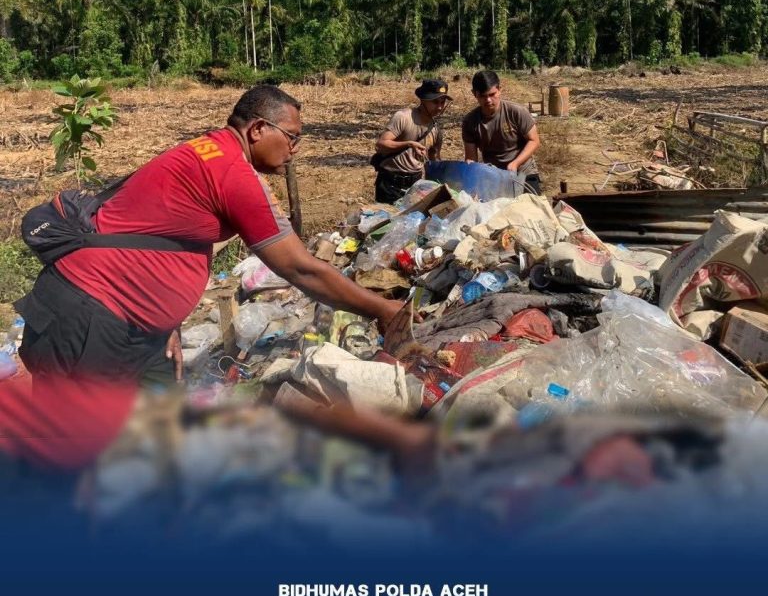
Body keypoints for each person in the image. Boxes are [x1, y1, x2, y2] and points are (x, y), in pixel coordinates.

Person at [15, 85, 406, 384]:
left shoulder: (207, 151)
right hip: (91, 320)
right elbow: (301, 269)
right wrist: (384, 310)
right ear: (258, 129)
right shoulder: (233, 174)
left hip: (124, 322)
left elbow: (154, 228)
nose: (295, 149)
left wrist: (165, 321)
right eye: (292, 137)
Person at [461, 69, 542, 194]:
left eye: (492, 94)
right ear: (474, 94)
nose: (488, 100)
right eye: (483, 96)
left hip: (523, 172)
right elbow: (471, 158)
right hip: (493, 175)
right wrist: (471, 167)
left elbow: (534, 141)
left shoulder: (517, 112)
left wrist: (515, 163)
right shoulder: (470, 121)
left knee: (530, 205)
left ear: (500, 90)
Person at [373, 79, 451, 204]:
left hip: (415, 184)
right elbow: (381, 144)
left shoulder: (436, 130)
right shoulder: (404, 117)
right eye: (435, 102)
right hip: (391, 183)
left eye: (442, 102)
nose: (440, 107)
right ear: (423, 100)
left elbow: (434, 159)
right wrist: (409, 144)